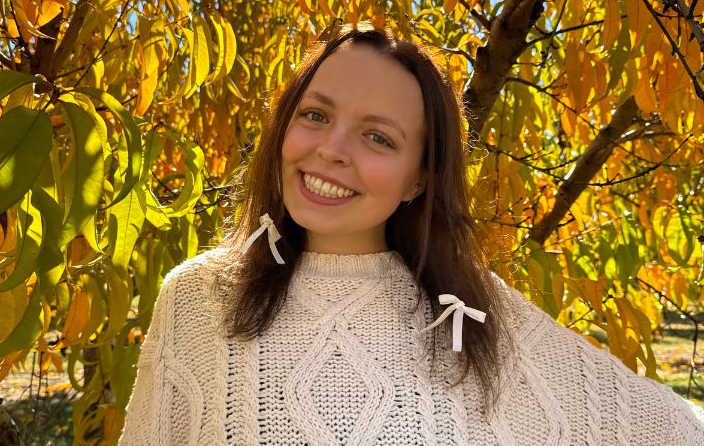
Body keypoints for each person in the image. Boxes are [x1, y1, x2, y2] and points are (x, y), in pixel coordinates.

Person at [119, 23, 704, 445]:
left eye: (378, 137)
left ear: (419, 178)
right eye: (315, 115)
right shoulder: (198, 299)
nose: (331, 150)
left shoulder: (471, 314)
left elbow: (663, 425)